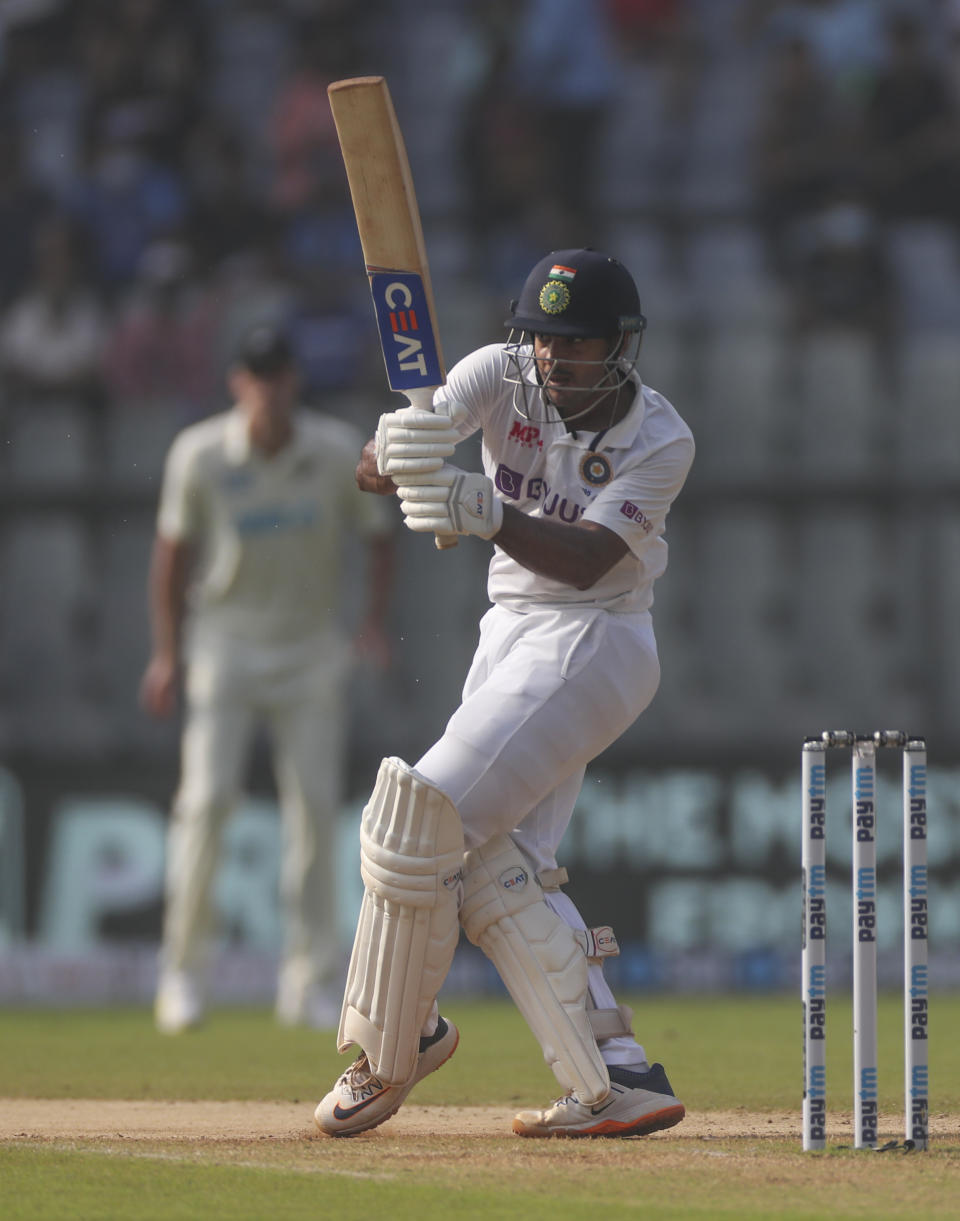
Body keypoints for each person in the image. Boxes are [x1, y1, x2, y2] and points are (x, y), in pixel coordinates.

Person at [315, 248, 694, 1138]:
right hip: (508, 631)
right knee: (499, 859)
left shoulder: (660, 438)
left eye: (581, 345)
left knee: (421, 814)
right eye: (546, 342)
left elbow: (588, 560)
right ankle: (619, 1076)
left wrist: (482, 509)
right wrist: (392, 449)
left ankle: (396, 1042)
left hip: (595, 634)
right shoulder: (499, 372)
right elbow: (378, 469)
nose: (558, 362)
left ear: (621, 347)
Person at [140, 323, 394, 1033]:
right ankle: (182, 976)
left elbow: (378, 539)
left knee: (312, 809)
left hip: (311, 649)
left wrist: (371, 622)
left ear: (294, 381)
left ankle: (309, 980)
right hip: (223, 647)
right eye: (256, 375)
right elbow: (170, 558)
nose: (270, 389)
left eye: (279, 374)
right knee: (206, 802)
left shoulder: (337, 449)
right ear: (237, 384)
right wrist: (167, 654)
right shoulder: (198, 454)